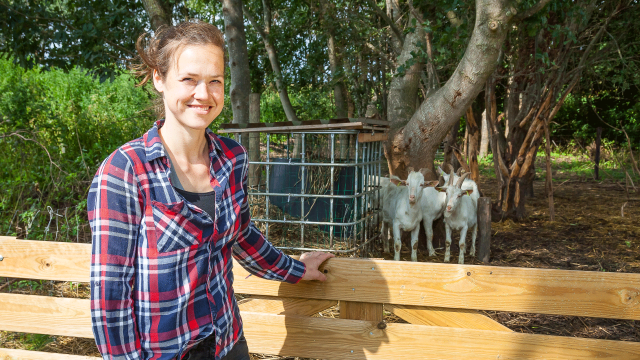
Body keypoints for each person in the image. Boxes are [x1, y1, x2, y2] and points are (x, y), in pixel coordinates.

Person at [87, 20, 334, 360]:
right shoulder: (125, 172)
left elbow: (242, 235)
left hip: (227, 341)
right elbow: (110, 293)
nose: (203, 95)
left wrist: (295, 269)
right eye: (189, 79)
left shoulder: (232, 159)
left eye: (214, 81)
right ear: (159, 79)